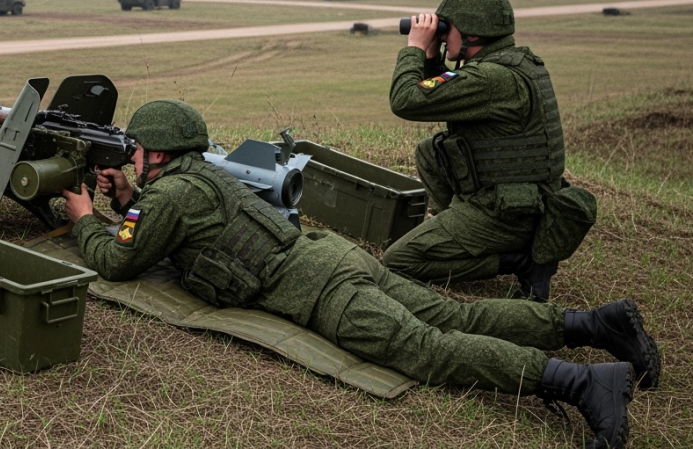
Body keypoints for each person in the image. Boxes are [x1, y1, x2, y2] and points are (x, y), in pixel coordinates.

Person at [61, 99, 659, 449]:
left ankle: (581, 383)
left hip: (325, 292)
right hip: (334, 258)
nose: (130, 155)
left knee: (431, 353)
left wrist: (86, 219)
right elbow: (179, 222)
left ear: (158, 152)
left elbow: (118, 259)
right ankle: (593, 323)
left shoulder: (167, 198)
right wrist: (127, 198)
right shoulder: (202, 175)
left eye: (137, 149)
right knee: (459, 314)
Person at [383, 0, 596, 302]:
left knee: (398, 261)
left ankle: (518, 260)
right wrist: (431, 57)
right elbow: (442, 96)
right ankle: (462, 233)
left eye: (446, 28)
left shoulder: (493, 78)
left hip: (508, 212)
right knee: (431, 152)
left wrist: (414, 47)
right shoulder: (508, 64)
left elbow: (405, 101)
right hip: (519, 198)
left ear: (472, 34)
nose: (441, 36)